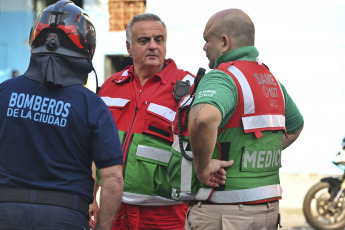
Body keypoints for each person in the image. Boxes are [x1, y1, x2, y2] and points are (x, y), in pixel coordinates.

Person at [0, 1, 124, 229]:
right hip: (64, 217)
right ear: (86, 47)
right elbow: (114, 179)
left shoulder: (4, 92)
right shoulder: (92, 106)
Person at [185, 8, 304, 229]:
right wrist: (257, 152)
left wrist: (203, 167)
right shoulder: (272, 81)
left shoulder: (222, 77)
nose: (203, 47)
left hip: (225, 211)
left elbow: (203, 118)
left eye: (206, 39)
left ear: (224, 42)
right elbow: (296, 126)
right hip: (267, 211)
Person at [97, 13, 195, 230]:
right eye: (144, 41)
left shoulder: (188, 87)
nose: (153, 46)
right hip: (114, 207)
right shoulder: (111, 86)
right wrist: (90, 196)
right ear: (129, 47)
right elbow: (93, 146)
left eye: (158, 40)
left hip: (166, 212)